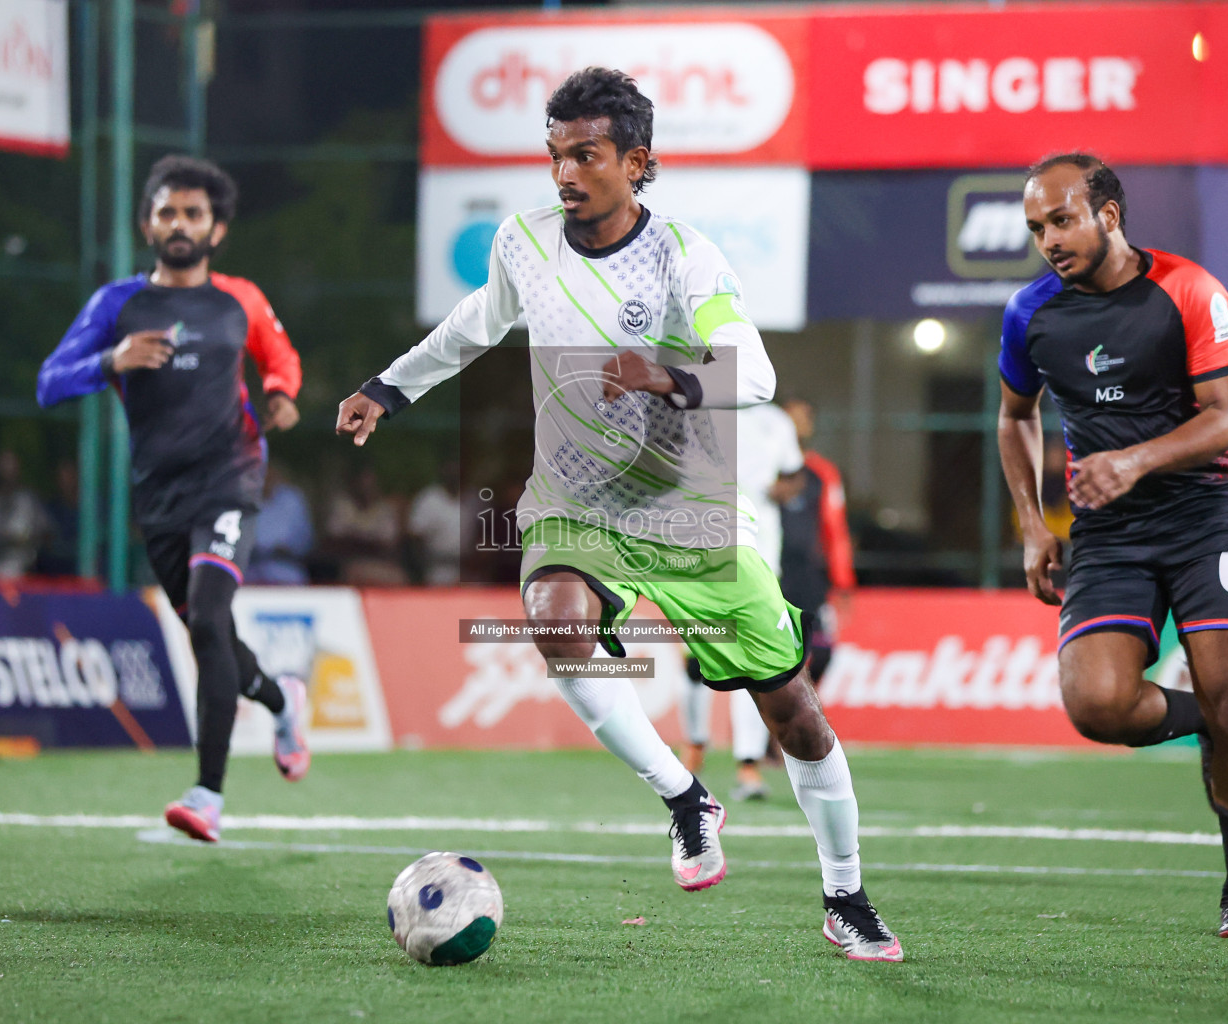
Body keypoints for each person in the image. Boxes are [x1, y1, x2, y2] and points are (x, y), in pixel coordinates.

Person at [336, 68, 902, 962]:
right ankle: (686, 799)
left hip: (687, 513)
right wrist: (387, 388)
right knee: (555, 625)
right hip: (574, 505)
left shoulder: (684, 256)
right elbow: (476, 324)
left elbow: (753, 375)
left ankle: (846, 894)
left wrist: (669, 375)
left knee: (792, 709)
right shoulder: (523, 240)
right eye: (555, 154)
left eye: (586, 155)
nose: (565, 173)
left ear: (637, 162)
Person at [997, 153, 1228, 938]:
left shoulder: (1188, 289)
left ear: (1108, 216)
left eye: (1061, 220)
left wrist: (1133, 460)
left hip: (1205, 516)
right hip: (1109, 534)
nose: (1048, 239)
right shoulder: (1030, 313)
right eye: (1035, 228)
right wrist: (1030, 525)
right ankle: (1213, 720)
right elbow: (1014, 415)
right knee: (1097, 705)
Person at [37, 154, 309, 842]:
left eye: (193, 213)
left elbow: (281, 360)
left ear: (216, 229)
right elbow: (49, 382)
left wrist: (281, 397)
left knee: (211, 618)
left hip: (231, 479)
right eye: (167, 212)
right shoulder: (116, 306)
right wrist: (111, 360)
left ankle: (207, 795)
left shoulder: (239, 300)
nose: (180, 223)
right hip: (159, 499)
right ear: (146, 223)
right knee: (211, 637)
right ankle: (282, 700)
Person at [678, 401, 802, 801]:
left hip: (759, 552)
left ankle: (747, 764)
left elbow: (794, 475)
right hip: (701, 545)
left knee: (751, 660)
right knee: (696, 657)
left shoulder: (774, 421)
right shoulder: (691, 411)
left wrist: (781, 490)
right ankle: (696, 743)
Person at [779, 398, 857, 686]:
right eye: (789, 418)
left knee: (822, 651)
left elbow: (835, 530)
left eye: (802, 418)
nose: (795, 425)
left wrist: (842, 580)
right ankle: (770, 726)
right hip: (771, 576)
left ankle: (798, 712)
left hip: (809, 579)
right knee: (773, 657)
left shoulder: (822, 474)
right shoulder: (761, 469)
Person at [0, 450, 53, 579]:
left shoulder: (28, 501)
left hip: (21, 576)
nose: (8, 471)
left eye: (12, 466)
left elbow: (48, 534)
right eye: (4, 466)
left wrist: (28, 539)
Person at [249, 462, 314, 585]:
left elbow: (306, 541)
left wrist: (288, 549)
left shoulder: (292, 499)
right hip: (250, 569)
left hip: (285, 568)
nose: (265, 480)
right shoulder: (242, 499)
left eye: (269, 476)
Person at [406, 460, 465, 586]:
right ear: (443, 470)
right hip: (436, 570)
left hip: (469, 572)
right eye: (451, 468)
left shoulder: (474, 499)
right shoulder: (428, 499)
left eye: (458, 468)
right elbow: (414, 538)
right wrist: (420, 569)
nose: (455, 472)